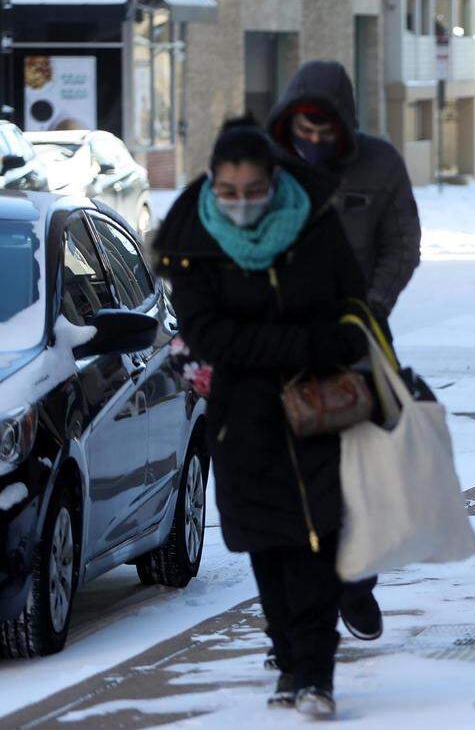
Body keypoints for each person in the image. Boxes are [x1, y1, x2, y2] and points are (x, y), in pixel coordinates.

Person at [153, 118, 367, 717]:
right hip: (240, 421)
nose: (241, 204)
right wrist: (300, 344)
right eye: (229, 192)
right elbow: (207, 334)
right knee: (266, 545)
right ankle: (288, 659)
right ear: (212, 184)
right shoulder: (193, 238)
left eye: (253, 191)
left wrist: (276, 345)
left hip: (321, 411)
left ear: (273, 181)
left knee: (316, 540)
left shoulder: (315, 223)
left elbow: (350, 309)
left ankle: (316, 673)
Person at [266, 60, 423, 642]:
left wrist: (371, 306)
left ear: (344, 125)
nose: (311, 142)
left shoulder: (379, 165)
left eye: (323, 131)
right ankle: (295, 627)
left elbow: (402, 243)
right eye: (301, 131)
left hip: (356, 343)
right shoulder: (265, 167)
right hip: (280, 347)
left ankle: (356, 582)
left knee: (359, 474)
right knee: (287, 487)